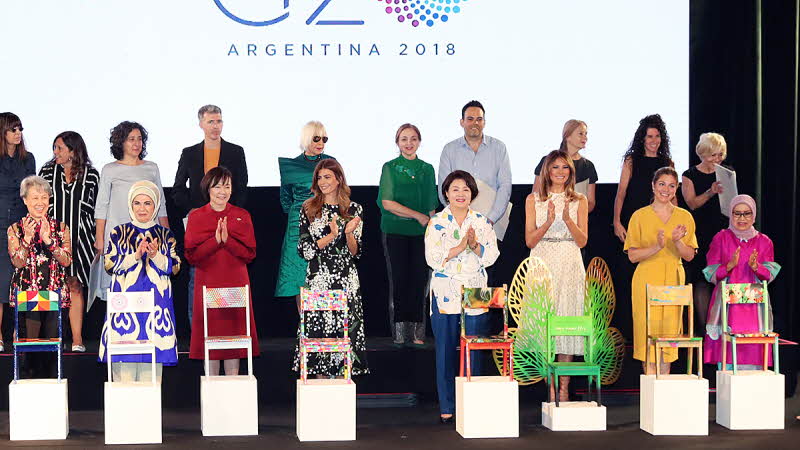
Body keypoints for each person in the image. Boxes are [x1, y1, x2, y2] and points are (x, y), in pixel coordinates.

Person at [425, 170, 499, 424]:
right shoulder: (436, 222)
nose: (460, 194)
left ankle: (474, 402)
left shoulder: (481, 221)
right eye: (455, 189)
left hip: (476, 288)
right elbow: (432, 258)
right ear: (446, 193)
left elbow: (491, 256)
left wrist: (476, 245)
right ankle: (447, 405)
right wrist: (460, 247)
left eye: (465, 189)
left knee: (475, 349)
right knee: (445, 350)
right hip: (445, 289)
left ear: (472, 195)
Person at [173, 105, 248, 326]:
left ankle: (228, 326)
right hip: (199, 224)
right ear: (201, 124)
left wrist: (232, 215)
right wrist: (193, 211)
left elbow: (242, 188)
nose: (216, 126)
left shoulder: (236, 151)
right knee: (197, 273)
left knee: (228, 270)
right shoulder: (189, 153)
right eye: (211, 122)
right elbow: (177, 189)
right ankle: (198, 327)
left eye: (219, 121)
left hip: (228, 222)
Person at [98, 181, 180, 382]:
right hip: (125, 307)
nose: (142, 208)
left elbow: (175, 266)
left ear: (156, 206)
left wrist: (155, 256)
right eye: (137, 203)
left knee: (151, 373)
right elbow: (109, 264)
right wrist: (134, 256)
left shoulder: (165, 234)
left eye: (147, 203)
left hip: (156, 307)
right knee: (123, 369)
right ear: (130, 205)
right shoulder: (118, 233)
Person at [293, 159, 368, 377]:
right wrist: (332, 235)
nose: (322, 182)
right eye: (319, 177)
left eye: (327, 177)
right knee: (320, 333)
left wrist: (347, 234)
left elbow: (357, 252)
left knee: (343, 333)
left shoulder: (354, 209)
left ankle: (340, 389)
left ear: (338, 179)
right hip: (319, 278)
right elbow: (305, 250)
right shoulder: (308, 209)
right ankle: (318, 385)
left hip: (346, 279)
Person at [525, 150, 588, 401]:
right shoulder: (533, 200)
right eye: (555, 168)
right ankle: (549, 388)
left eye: (565, 167)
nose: (560, 172)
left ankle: (564, 389)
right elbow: (529, 240)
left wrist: (566, 220)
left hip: (570, 260)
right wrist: (549, 222)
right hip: (543, 260)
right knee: (544, 324)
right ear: (547, 171)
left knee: (567, 323)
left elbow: (583, 240)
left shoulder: (579, 199)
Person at [185, 167, 259, 375]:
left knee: (233, 341)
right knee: (210, 339)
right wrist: (215, 241)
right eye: (217, 186)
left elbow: (249, 254)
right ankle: (212, 392)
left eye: (227, 186)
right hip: (208, 282)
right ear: (207, 188)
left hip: (235, 282)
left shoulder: (241, 215)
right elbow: (192, 256)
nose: (222, 191)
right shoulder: (197, 217)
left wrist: (228, 241)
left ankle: (232, 391)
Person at [624, 167, 697, 375]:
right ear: (653, 186)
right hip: (646, 280)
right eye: (662, 184)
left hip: (672, 279)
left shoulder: (684, 217)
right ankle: (651, 391)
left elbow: (689, 255)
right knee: (647, 335)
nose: (666, 189)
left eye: (672, 185)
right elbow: (632, 256)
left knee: (668, 338)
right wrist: (656, 246)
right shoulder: (639, 216)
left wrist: (677, 241)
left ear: (677, 189)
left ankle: (664, 390)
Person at [94, 121, 169, 303]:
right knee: (119, 288)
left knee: (147, 285)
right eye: (131, 139)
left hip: (148, 234)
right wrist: (99, 237)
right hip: (118, 236)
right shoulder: (109, 169)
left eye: (140, 139)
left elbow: (161, 204)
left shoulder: (151, 168)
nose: (136, 144)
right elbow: (102, 205)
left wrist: (166, 234)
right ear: (121, 142)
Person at [377, 123, 438, 346]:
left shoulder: (427, 168)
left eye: (413, 139)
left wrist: (431, 227)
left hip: (422, 233)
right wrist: (417, 215)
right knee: (400, 280)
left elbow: (432, 204)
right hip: (395, 231)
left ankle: (417, 331)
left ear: (419, 141)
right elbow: (387, 202)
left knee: (420, 280)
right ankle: (400, 331)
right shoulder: (390, 167)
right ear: (397, 142)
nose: (409, 143)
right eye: (404, 139)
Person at [703, 195, 780, 370]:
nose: (742, 218)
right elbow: (711, 272)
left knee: (754, 356)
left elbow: (768, 274)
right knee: (728, 358)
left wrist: (756, 267)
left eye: (747, 213)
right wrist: (728, 266)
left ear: (753, 216)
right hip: (727, 307)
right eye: (737, 213)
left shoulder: (764, 241)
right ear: (730, 215)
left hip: (754, 309)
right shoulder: (721, 238)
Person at [39, 131, 99, 352]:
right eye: (54, 148)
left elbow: (97, 208)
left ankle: (77, 339)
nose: (55, 152)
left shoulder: (91, 174)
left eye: (60, 148)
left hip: (80, 240)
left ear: (73, 151)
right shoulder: (46, 172)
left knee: (75, 286)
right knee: (52, 287)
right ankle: (55, 338)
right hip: (51, 240)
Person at [8, 176, 72, 377]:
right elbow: (17, 262)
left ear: (50, 200)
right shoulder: (15, 229)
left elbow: (67, 261)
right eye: (35, 197)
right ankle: (28, 383)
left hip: (53, 293)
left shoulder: (61, 228)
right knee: (30, 347)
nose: (40, 202)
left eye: (44, 197)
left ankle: (53, 387)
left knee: (53, 347)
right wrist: (27, 240)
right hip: (27, 295)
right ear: (25, 200)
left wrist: (49, 241)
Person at [276, 121, 334, 306]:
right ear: (306, 138)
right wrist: (299, 214)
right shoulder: (291, 166)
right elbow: (285, 199)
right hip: (297, 226)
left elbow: (340, 193)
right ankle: (306, 328)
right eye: (316, 138)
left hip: (325, 222)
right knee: (299, 277)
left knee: (324, 273)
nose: (321, 142)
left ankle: (323, 326)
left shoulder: (331, 163)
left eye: (324, 138)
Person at [438, 101, 511, 247]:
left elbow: (505, 186)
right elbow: (443, 189)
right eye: (470, 119)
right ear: (462, 122)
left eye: (479, 119)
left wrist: (490, 220)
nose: (475, 123)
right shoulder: (449, 150)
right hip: (457, 225)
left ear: (484, 122)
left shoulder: (499, 148)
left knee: (489, 268)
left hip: (491, 224)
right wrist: (460, 220)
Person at [681, 132, 730, 334]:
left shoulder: (726, 172)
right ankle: (704, 330)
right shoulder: (689, 175)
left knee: (723, 278)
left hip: (722, 232)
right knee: (701, 281)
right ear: (702, 154)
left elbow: (733, 200)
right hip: (699, 233)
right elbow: (691, 203)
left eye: (720, 155)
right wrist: (711, 192)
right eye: (713, 155)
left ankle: (724, 327)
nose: (717, 159)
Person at [0, 112, 36, 351]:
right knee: (1, 281)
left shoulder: (28, 159)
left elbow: (32, 191)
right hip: (0, 224)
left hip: (22, 228)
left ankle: (18, 334)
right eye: (13, 129)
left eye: (20, 128)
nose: (18, 133)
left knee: (22, 282)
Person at [614, 114, 675, 243]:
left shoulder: (667, 162)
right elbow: (621, 194)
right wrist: (617, 222)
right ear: (642, 139)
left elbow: (673, 196)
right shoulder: (631, 161)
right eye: (650, 136)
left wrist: (676, 221)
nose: (654, 140)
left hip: (660, 222)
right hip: (632, 219)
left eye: (657, 136)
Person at [533, 120, 598, 212]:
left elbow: (591, 202)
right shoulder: (547, 161)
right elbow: (536, 195)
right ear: (568, 136)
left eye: (586, 134)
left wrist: (576, 215)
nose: (585, 138)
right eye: (580, 134)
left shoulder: (588, 166)